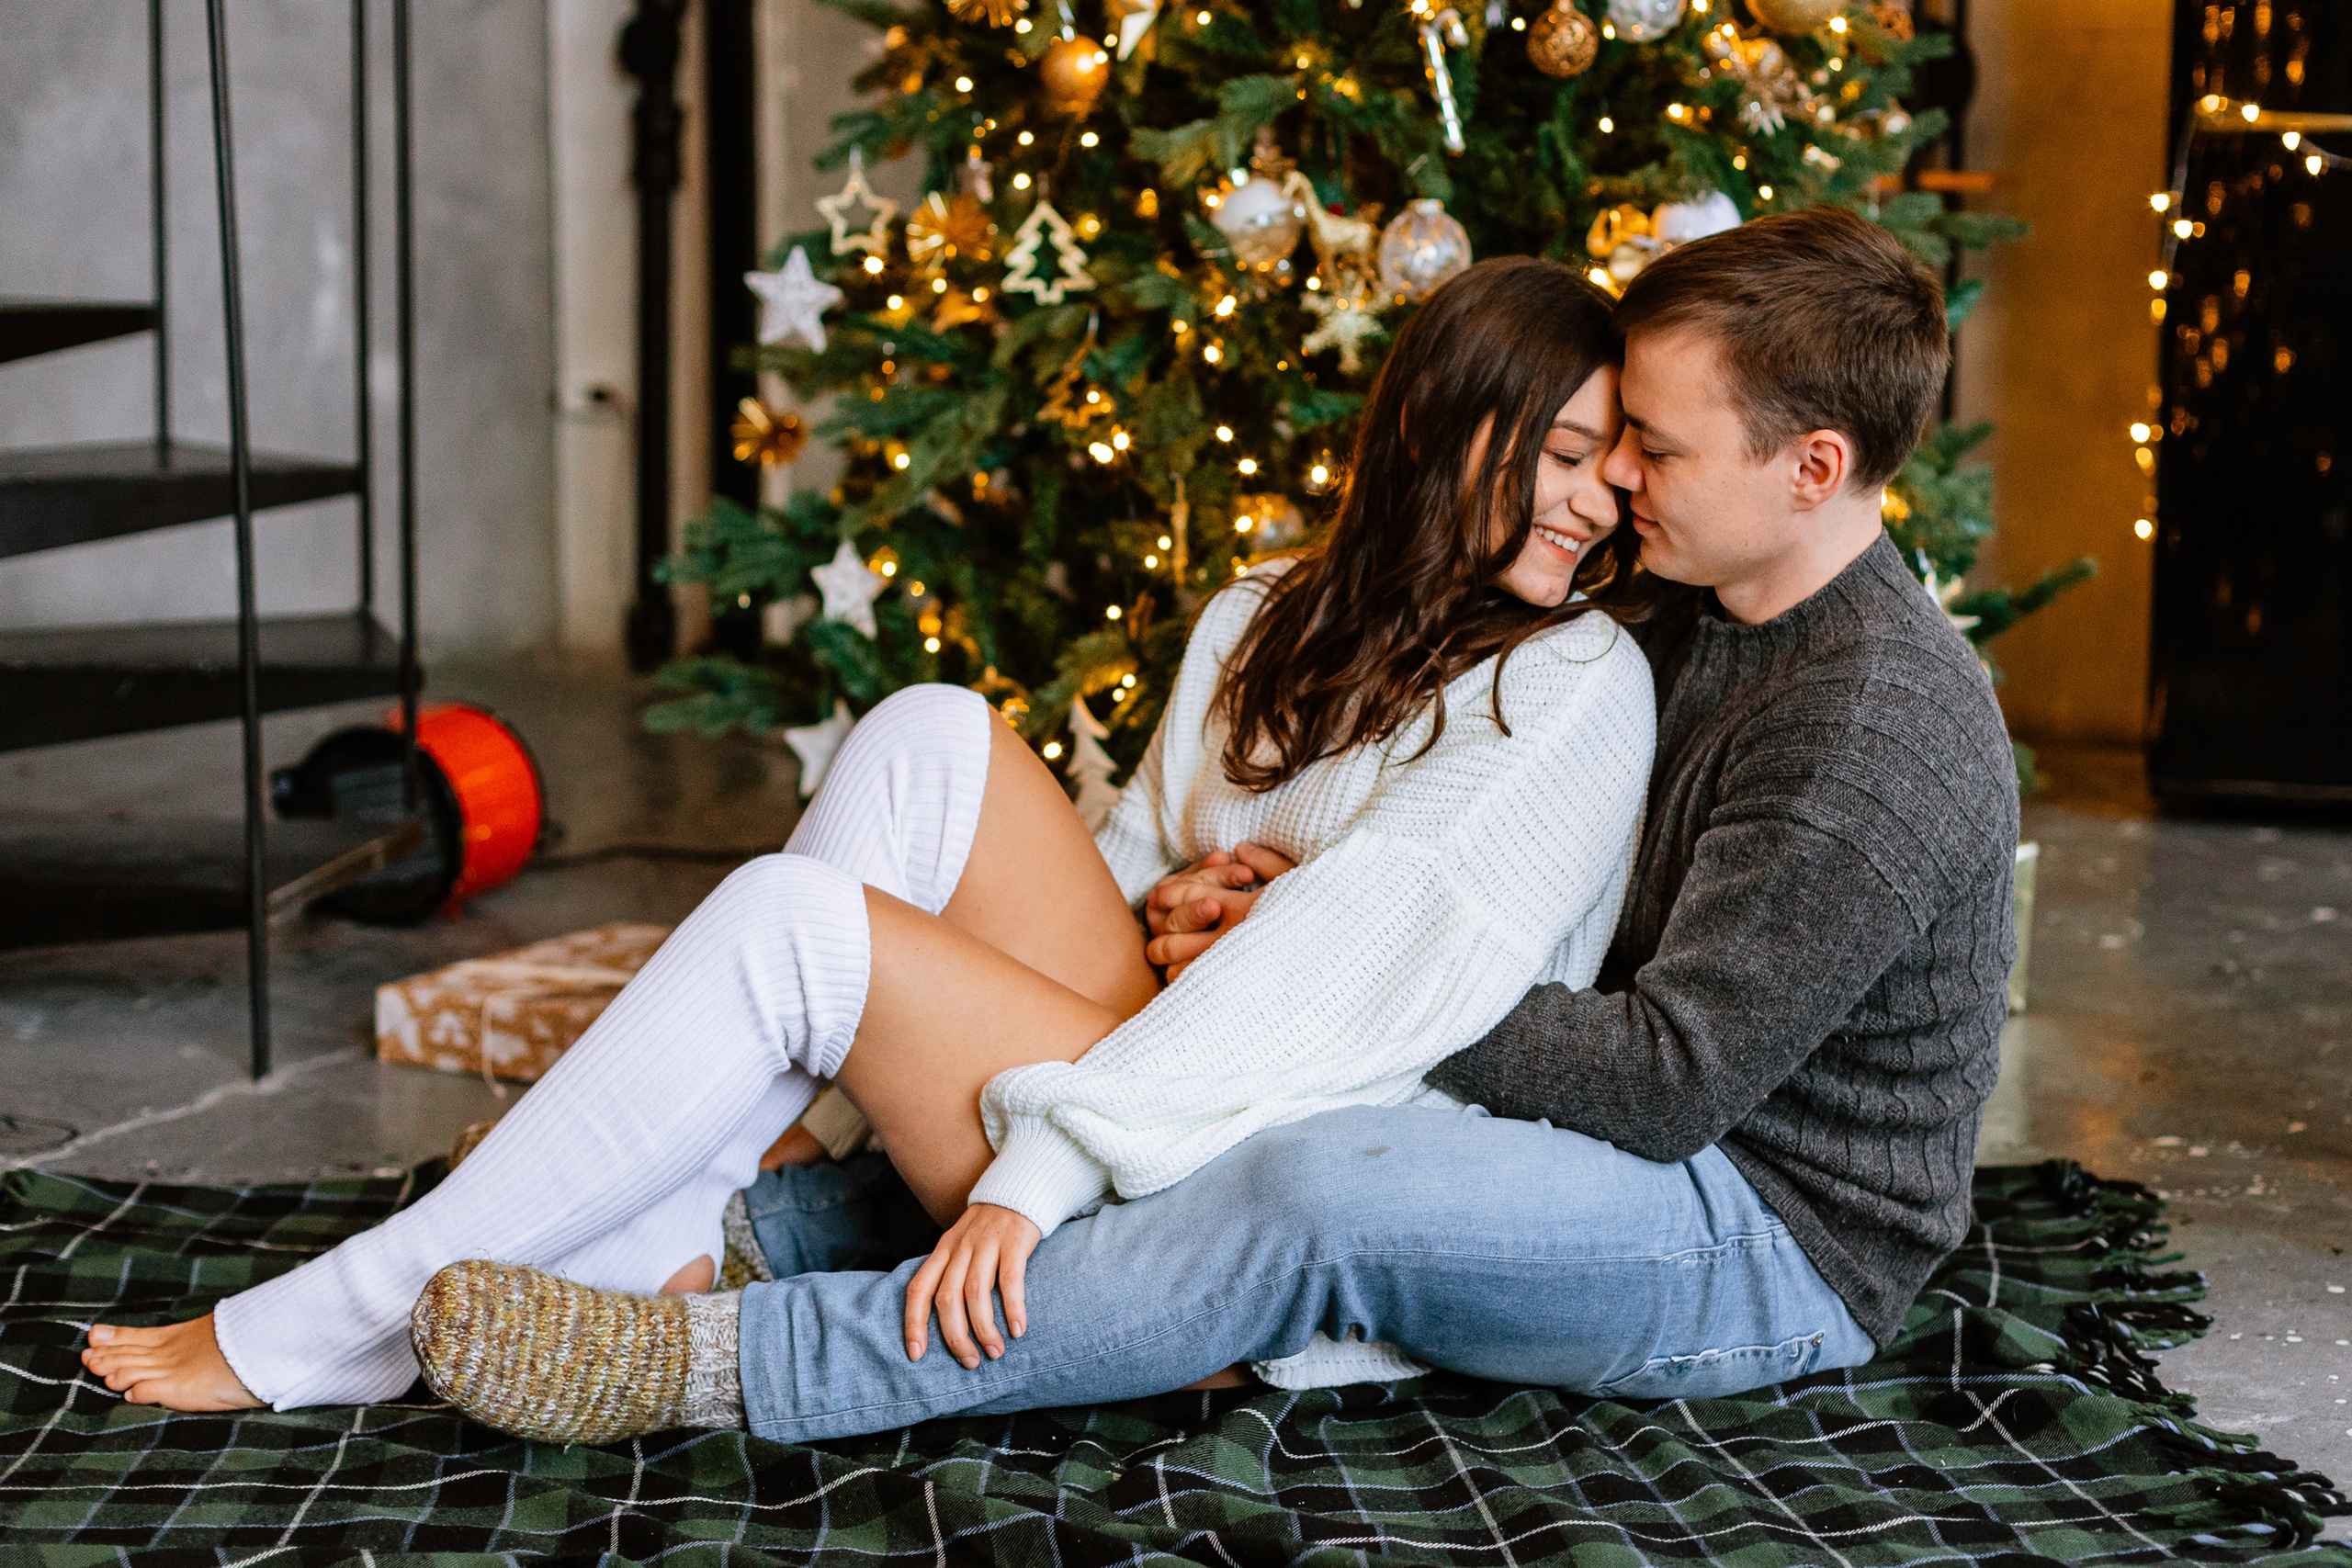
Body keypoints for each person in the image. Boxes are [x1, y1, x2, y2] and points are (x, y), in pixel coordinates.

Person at [326, 201, 2015, 1447]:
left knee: (1309, 1183)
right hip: (1610, 1112)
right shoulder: (1687, 597)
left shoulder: (1869, 724)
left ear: (1813, 467)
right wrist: (1261, 932)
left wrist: (1326, 956)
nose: (1620, 481)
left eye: (1653, 444)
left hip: (1759, 1235)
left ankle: (728, 1370)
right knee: (1187, 1092)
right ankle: (706, 1230)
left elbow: (1666, 1086)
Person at [79, 254, 1659, 1433]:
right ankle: (686, 1215)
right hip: (1147, 1042)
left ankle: (354, 1310)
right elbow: (1120, 863)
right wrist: (1179, 907)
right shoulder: (1268, 617)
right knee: (923, 731)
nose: (1598, 504)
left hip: (1224, 1155)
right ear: (1450, 425)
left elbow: (1371, 985)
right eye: (1568, 454)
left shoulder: (1572, 681)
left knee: (793, 926)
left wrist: (1046, 1158)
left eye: (1619, 466)